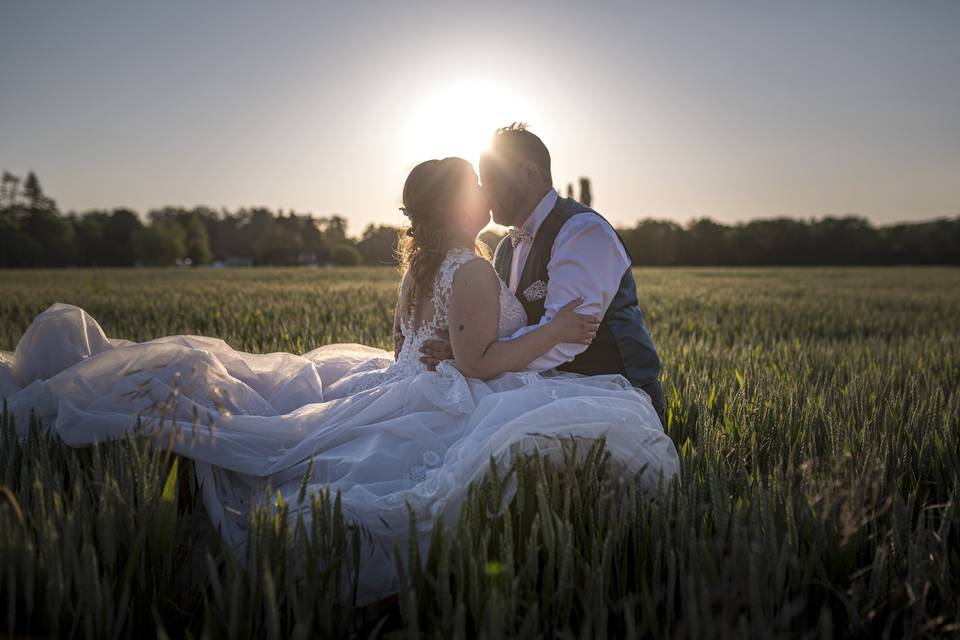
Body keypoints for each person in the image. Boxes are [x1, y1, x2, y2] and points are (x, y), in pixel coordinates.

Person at [0, 153, 679, 606]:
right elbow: (474, 362)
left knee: (306, 444)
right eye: (478, 188)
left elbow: (401, 347)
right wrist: (554, 334)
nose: (488, 195)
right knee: (386, 484)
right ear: (459, 206)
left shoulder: (422, 267)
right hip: (444, 390)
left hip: (408, 380)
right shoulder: (471, 268)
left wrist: (435, 360)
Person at [419, 123, 667, 425]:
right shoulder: (506, 249)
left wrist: (477, 361)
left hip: (609, 396)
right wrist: (467, 350)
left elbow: (568, 339)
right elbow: (500, 331)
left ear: (528, 174)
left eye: (492, 180)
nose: (483, 193)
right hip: (539, 391)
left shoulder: (582, 232)